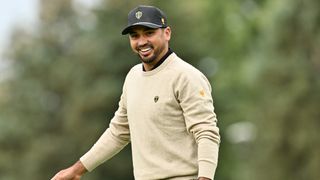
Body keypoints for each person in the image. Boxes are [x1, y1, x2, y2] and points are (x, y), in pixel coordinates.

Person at [51, 5, 220, 180]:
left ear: (167, 33)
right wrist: (76, 170)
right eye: (135, 36)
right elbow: (118, 132)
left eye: (149, 33)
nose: (141, 42)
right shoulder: (132, 77)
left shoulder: (186, 76)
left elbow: (206, 132)